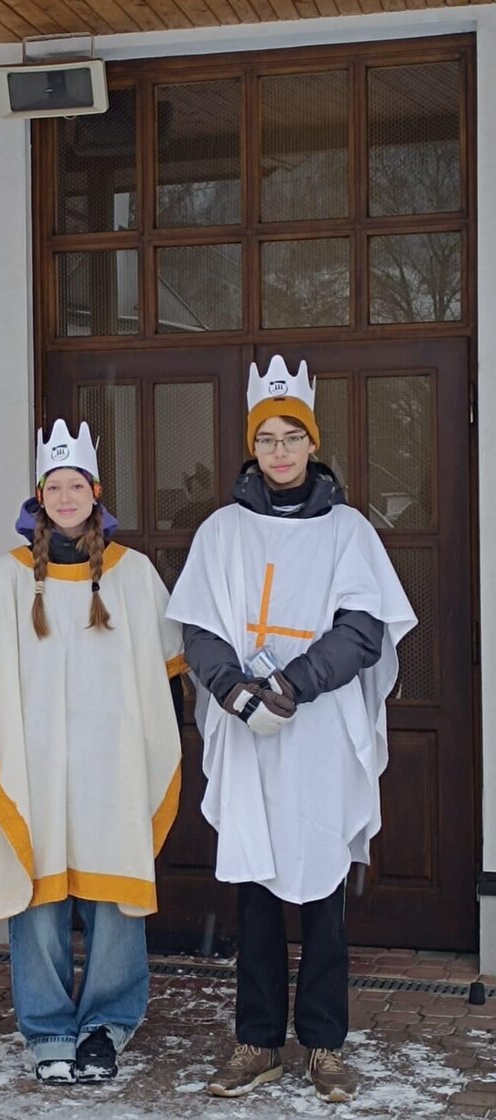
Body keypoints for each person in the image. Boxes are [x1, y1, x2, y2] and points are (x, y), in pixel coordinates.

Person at [167, 356, 416, 1105]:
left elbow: (363, 627)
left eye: (292, 437)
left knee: (323, 891)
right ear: (252, 446)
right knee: (254, 889)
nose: (280, 451)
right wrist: (234, 689)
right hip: (248, 731)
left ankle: (326, 1044)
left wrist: (292, 685)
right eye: (267, 438)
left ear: (312, 443)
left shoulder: (347, 531)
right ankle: (256, 1041)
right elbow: (199, 628)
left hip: (317, 730)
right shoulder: (222, 531)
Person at [0, 419, 186, 1085]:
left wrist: (160, 751)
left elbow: (167, 681)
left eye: (76, 485)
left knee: (114, 896)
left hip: (114, 770)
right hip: (35, 770)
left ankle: (106, 1025)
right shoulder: (8, 578)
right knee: (38, 899)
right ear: (39, 498)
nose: (66, 497)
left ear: (96, 493)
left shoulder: (134, 576)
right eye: (54, 487)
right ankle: (49, 1028)